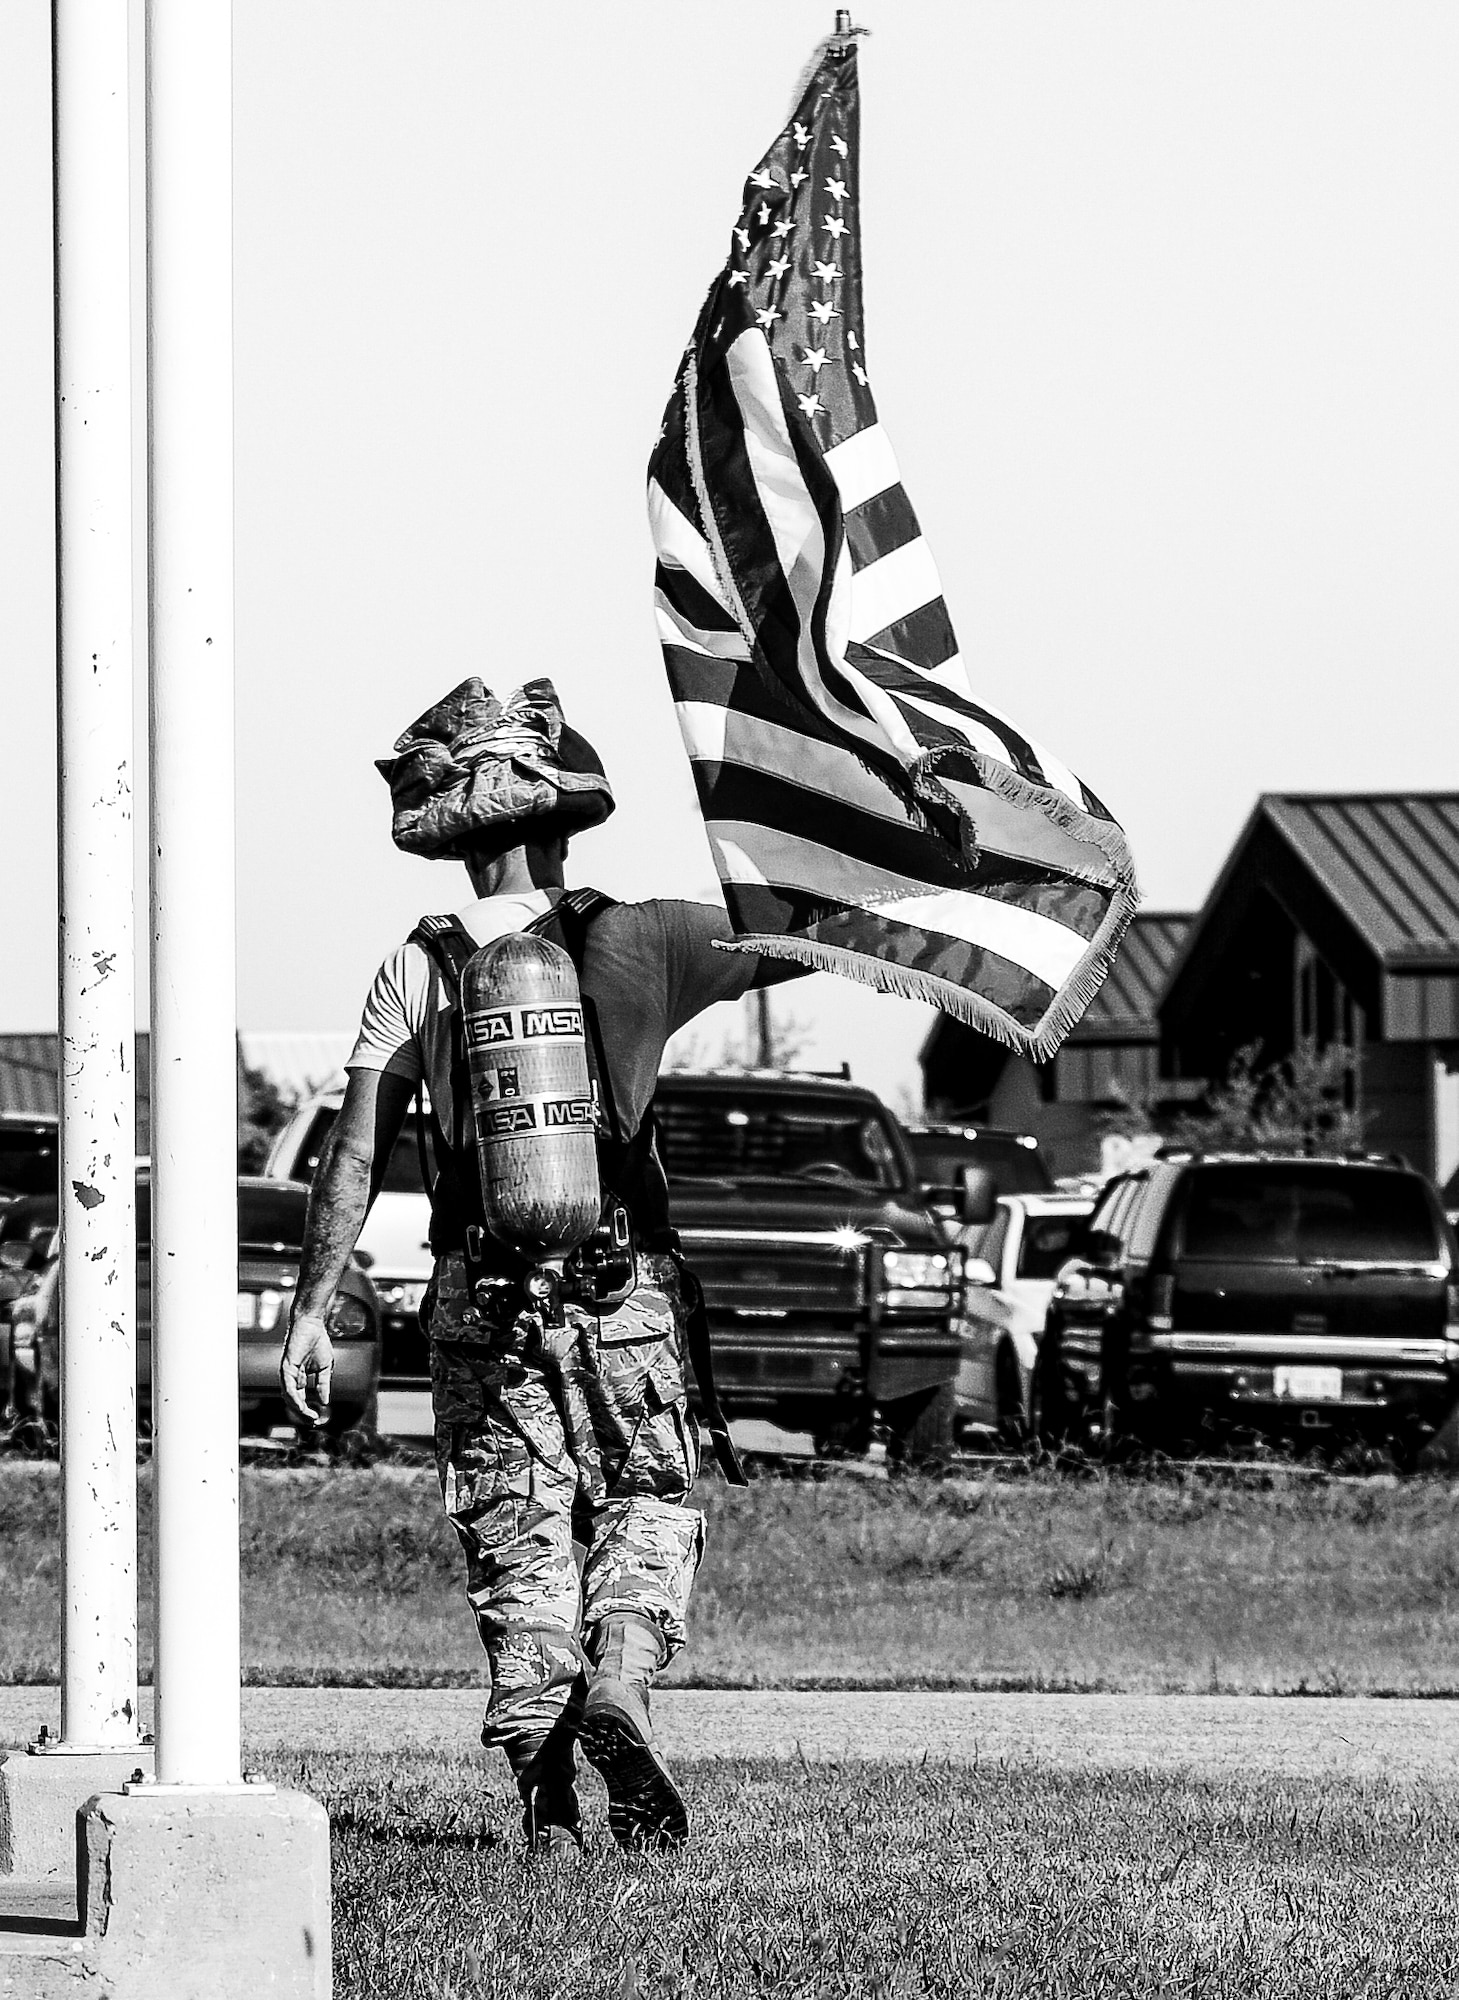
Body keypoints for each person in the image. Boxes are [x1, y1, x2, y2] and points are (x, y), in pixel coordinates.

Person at [280, 676, 786, 1856]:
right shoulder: (653, 935)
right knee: (643, 1503)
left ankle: (547, 1805)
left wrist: (314, 1306)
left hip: (479, 1292)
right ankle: (620, 1676)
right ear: (563, 820)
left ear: (463, 843)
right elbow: (807, 937)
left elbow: (354, 1148)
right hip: (622, 1290)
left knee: (514, 1535)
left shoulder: (419, 965)